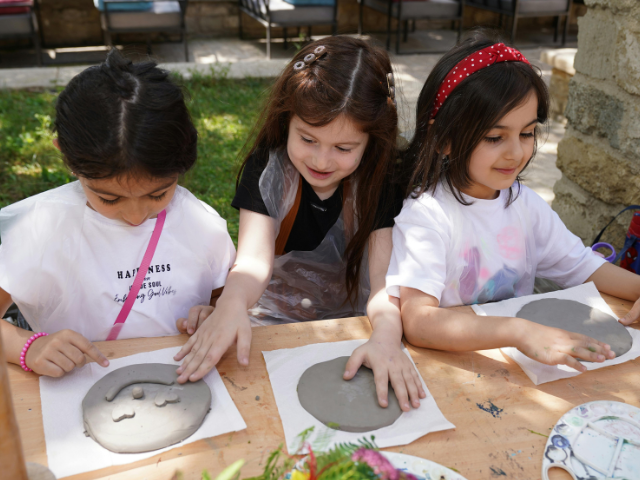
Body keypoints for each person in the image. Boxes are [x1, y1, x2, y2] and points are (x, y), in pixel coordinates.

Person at [174, 36, 426, 412]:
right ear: (285, 120)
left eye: (344, 148)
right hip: (272, 320)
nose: (322, 160)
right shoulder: (267, 170)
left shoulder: (381, 180)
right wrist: (231, 305)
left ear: (373, 142)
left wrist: (387, 338)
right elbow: (253, 264)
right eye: (307, 139)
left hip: (352, 328)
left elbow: (381, 286)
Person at [386, 32, 640, 372]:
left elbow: (582, 267)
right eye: (494, 137)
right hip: (454, 373)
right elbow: (419, 323)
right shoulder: (427, 216)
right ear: (444, 139)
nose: (516, 153)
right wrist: (519, 331)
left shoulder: (526, 207)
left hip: (519, 371)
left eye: (527, 133)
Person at [0, 49, 235, 378]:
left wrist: (215, 314)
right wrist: (28, 347)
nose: (136, 216)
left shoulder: (201, 224)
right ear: (66, 158)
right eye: (109, 198)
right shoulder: (38, 229)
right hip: (74, 392)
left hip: (181, 384)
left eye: (158, 194)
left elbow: (226, 299)